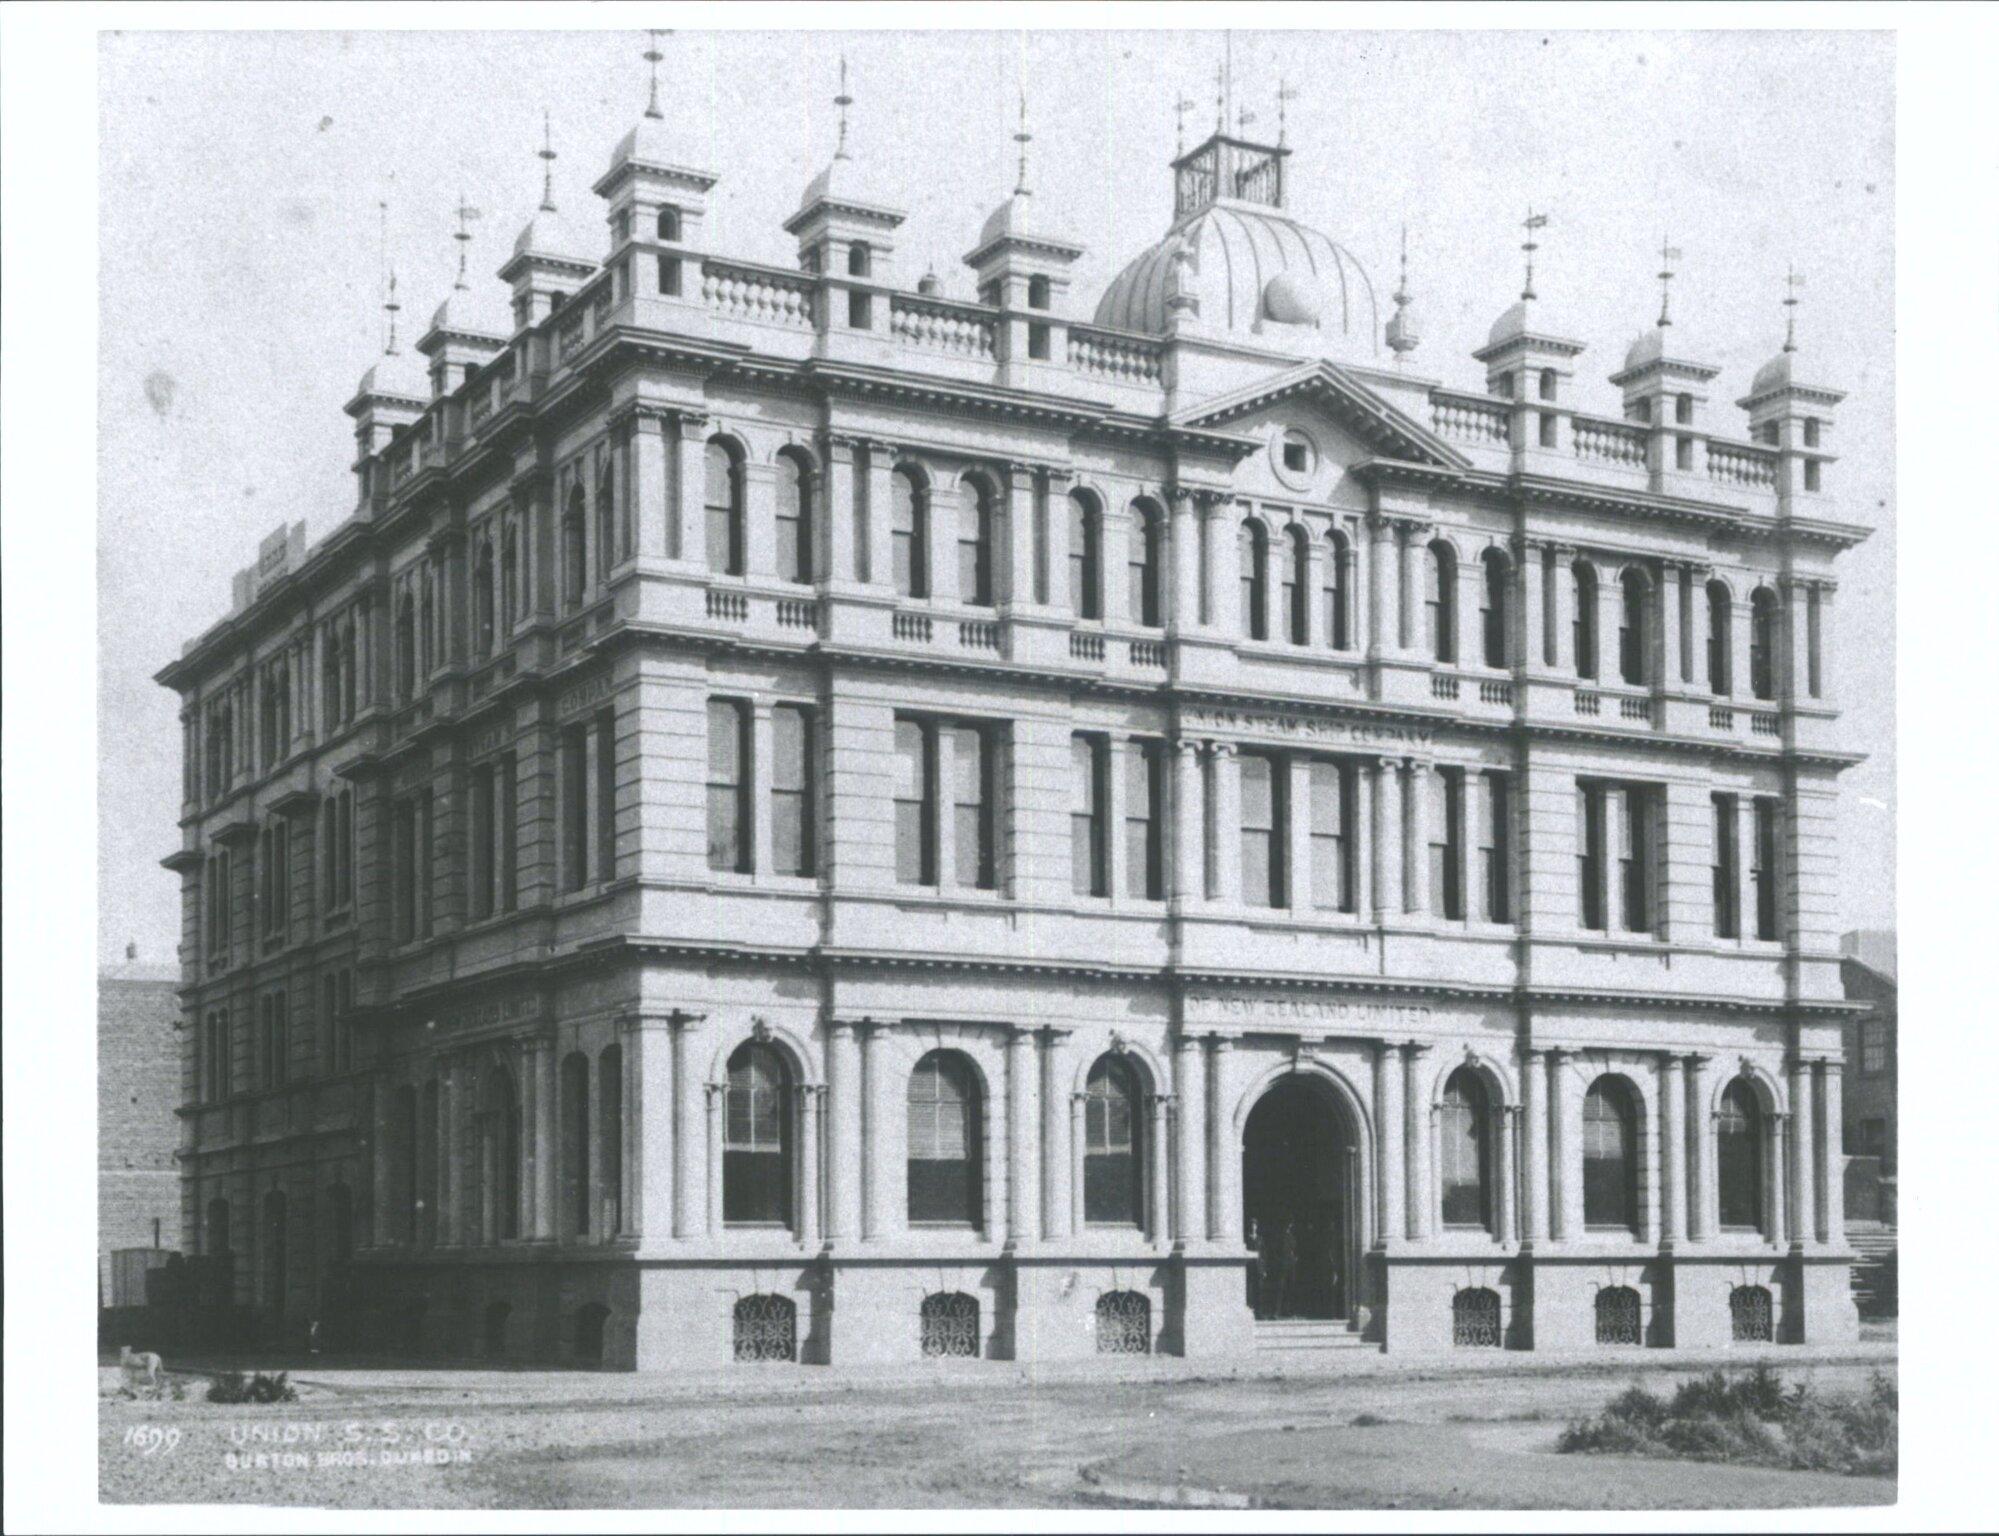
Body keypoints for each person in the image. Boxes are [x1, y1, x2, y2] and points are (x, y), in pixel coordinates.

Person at [1272, 1218, 1298, 1319]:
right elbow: (1275, 1251)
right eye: (1288, 1223)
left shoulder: (1291, 1235)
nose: (1289, 1225)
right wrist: (1279, 1261)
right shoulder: (1280, 1236)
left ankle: (1288, 1311)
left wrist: (1295, 1258)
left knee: (1290, 1288)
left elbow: (1294, 1249)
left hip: (1291, 1265)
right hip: (1282, 1265)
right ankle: (1276, 1312)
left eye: (1290, 1224)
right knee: (1280, 1288)